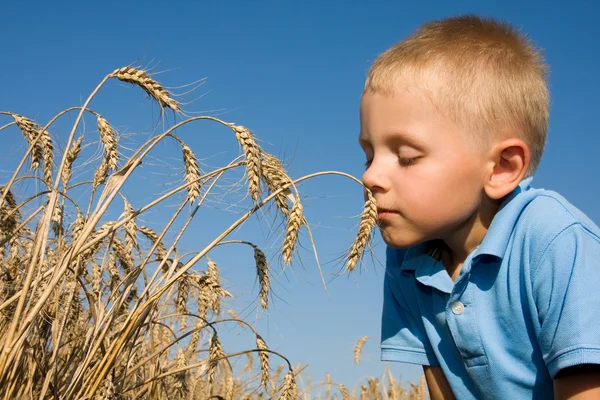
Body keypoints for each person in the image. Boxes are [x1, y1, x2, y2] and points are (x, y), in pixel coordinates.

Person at [358, 14, 600, 399]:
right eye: (368, 155)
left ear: (502, 168)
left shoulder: (554, 240)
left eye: (405, 157)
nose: (370, 177)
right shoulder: (406, 261)